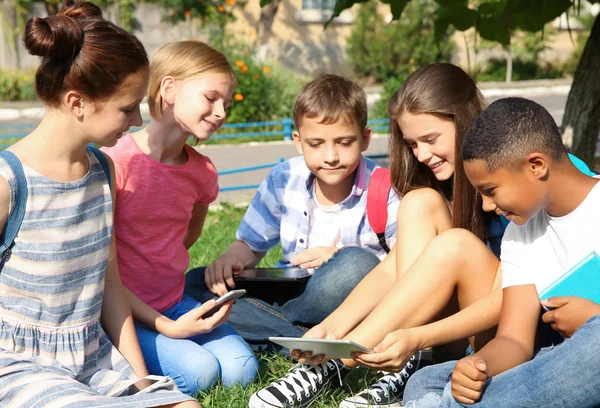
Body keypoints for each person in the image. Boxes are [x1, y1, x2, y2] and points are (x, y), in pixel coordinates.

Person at [249, 64, 595, 408]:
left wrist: (408, 339)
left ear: (465, 122)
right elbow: (398, 270)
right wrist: (332, 330)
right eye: (412, 143)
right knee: (419, 204)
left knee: (451, 248)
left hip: (512, 329)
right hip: (481, 338)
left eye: (430, 139)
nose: (421, 155)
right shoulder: (460, 190)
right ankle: (357, 358)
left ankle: (346, 362)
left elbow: (514, 299)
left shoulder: (531, 192)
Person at [0, 1, 198, 406]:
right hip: (19, 366)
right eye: (128, 108)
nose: (139, 121)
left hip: (92, 358)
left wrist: (143, 384)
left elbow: (110, 284)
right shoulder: (9, 183)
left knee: (185, 405)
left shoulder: (102, 171)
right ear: (77, 103)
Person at [403, 97, 600, 408]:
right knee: (426, 380)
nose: (486, 206)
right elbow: (514, 341)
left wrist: (592, 318)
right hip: (560, 366)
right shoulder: (519, 234)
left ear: (536, 166)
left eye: (490, 190)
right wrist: (478, 366)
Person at [187, 74, 400, 351]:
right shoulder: (284, 178)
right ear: (298, 141)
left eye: (345, 142)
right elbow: (250, 245)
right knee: (195, 283)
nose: (331, 156)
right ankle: (305, 339)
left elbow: (404, 266)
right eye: (316, 144)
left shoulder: (385, 186)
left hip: (351, 295)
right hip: (292, 291)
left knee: (354, 265)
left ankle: (273, 333)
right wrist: (229, 259)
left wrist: (336, 256)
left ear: (365, 138)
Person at [101, 41, 258, 395]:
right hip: (121, 312)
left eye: (227, 104)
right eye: (211, 98)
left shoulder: (202, 171)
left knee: (241, 370)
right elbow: (100, 270)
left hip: (174, 301)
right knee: (199, 373)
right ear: (169, 89)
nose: (221, 112)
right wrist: (168, 328)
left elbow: (188, 234)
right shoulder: (115, 162)